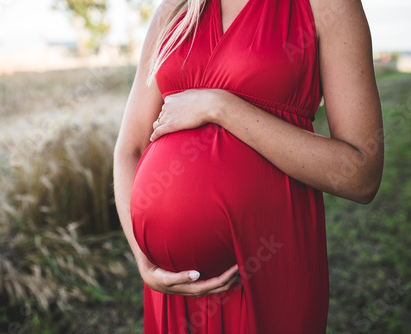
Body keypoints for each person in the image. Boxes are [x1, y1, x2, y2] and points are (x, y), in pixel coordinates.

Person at [113, 0, 384, 332]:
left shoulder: (327, 6)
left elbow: (361, 174)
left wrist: (222, 106)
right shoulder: (175, 9)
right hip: (173, 285)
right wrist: (145, 261)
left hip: (270, 263)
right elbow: (131, 148)